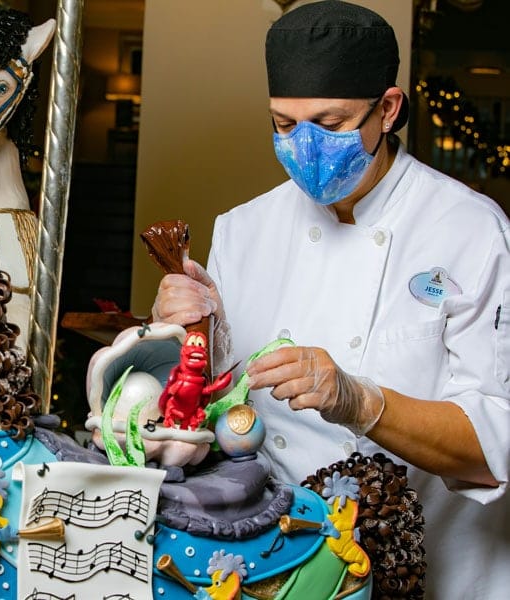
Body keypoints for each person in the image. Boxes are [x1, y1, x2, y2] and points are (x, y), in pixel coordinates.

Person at [151, 2, 508, 598]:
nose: (305, 146)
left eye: (332, 123)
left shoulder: (470, 231)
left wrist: (361, 401)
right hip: (279, 569)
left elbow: (494, 446)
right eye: (285, 125)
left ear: (388, 110)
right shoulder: (242, 229)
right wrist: (189, 335)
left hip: (434, 573)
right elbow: (209, 418)